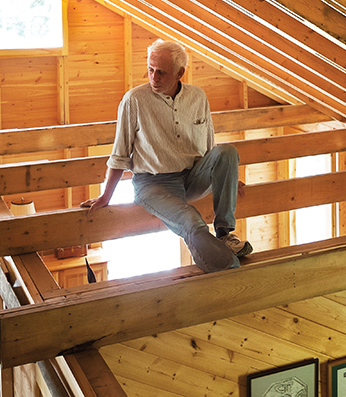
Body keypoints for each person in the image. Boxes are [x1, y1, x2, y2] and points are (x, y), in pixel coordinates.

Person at [81, 38, 252, 272]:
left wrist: (227, 180)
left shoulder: (198, 97)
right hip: (153, 185)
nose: (154, 77)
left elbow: (212, 148)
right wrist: (106, 196)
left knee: (228, 151)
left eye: (161, 72)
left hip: (193, 177)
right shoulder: (134, 100)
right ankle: (230, 272)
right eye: (150, 70)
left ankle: (224, 234)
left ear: (180, 72)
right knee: (192, 221)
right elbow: (119, 154)